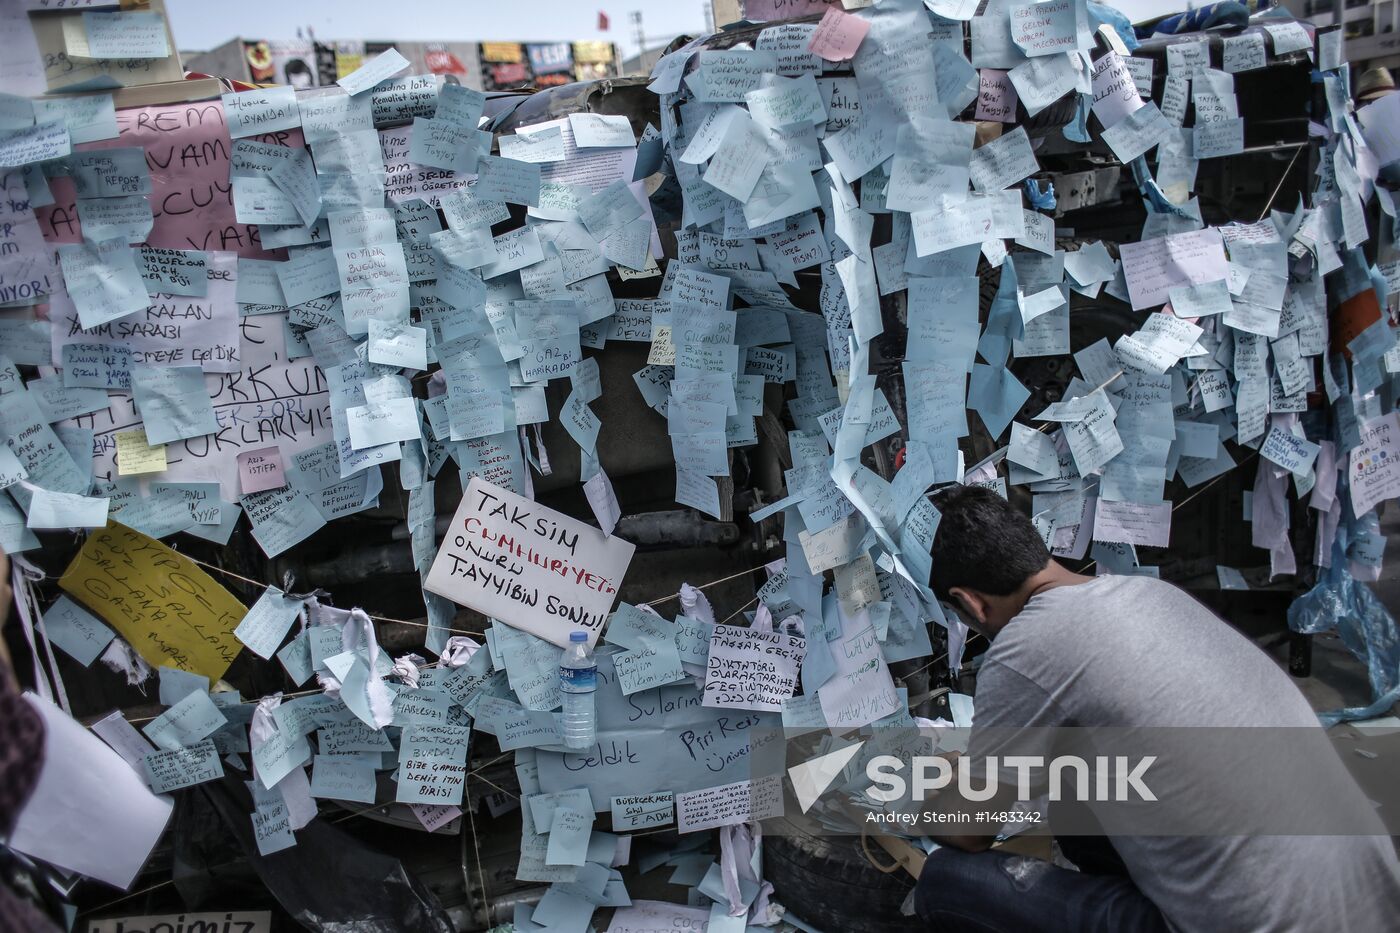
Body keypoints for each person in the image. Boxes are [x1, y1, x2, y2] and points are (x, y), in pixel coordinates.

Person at [912, 485, 1400, 932]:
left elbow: (970, 832)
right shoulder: (1146, 593)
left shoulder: (1024, 648)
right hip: (1367, 906)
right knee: (1073, 784)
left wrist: (928, 799)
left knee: (946, 880)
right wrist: (983, 773)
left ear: (970, 604)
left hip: (1253, 923)